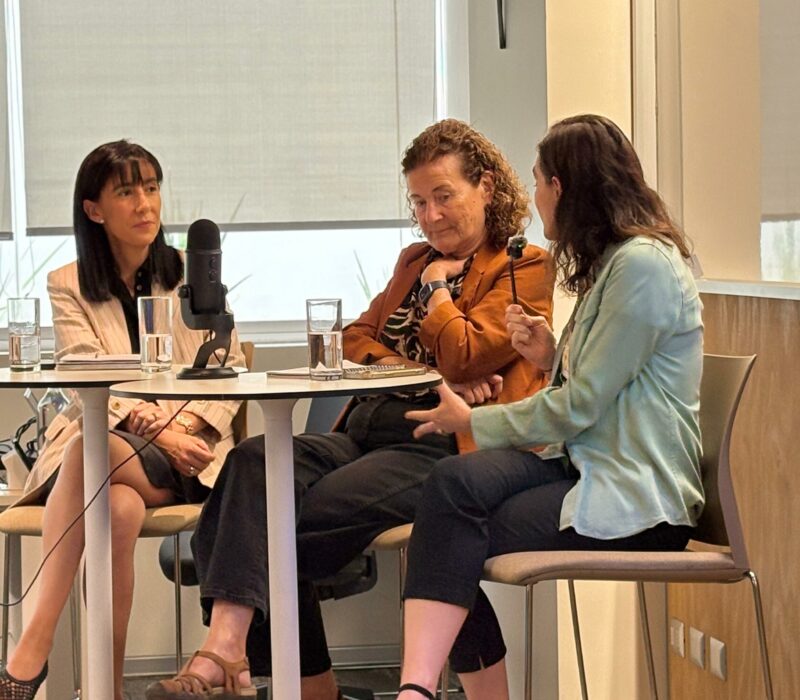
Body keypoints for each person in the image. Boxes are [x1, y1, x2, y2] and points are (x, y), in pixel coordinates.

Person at [145, 119, 555, 699]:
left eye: (443, 196)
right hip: (362, 429)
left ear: (485, 187)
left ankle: (255, 669)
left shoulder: (522, 265)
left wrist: (437, 291)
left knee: (270, 531)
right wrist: (424, 372)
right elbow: (356, 338)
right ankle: (230, 648)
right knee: (252, 463)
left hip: (438, 444)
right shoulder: (413, 259)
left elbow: (467, 352)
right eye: (419, 202)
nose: (431, 216)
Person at [397, 114, 704, 700]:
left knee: (451, 534)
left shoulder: (642, 266)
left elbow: (580, 405)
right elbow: (605, 382)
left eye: (538, 182)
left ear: (560, 187)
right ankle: (419, 688)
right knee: (451, 485)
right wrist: (552, 353)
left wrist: (473, 420)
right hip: (585, 464)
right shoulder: (615, 264)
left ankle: (417, 690)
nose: (534, 199)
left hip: (640, 498)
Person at [0, 141, 245, 700]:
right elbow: (81, 371)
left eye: (152, 188)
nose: (145, 204)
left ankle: (29, 651)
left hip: (191, 453)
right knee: (117, 508)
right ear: (94, 209)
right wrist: (153, 427)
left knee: (92, 449)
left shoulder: (191, 274)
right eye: (127, 192)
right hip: (119, 452)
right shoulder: (68, 284)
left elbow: (227, 367)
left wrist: (183, 431)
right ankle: (105, 691)